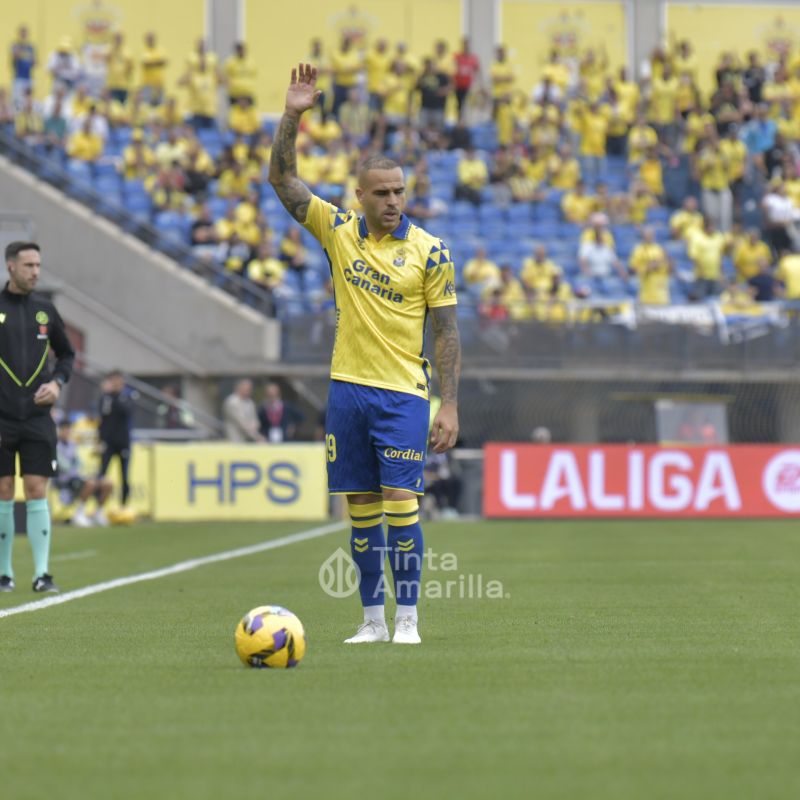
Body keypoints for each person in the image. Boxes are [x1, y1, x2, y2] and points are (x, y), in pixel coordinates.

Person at [269, 64, 460, 646]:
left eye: (400, 191)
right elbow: (282, 181)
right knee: (361, 510)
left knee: (402, 503)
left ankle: (409, 619)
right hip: (346, 389)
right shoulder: (339, 231)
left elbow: (447, 332)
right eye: (382, 193)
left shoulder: (431, 252)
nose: (393, 202)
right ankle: (371, 620)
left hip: (403, 393)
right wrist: (293, 115)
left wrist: (447, 405)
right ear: (360, 196)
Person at [0, 242, 75, 594]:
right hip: (1, 418)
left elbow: (67, 355)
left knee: (35, 490)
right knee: (2, 490)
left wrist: (58, 383)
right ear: (10, 267)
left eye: (38, 265)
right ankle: (4, 574)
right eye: (28, 265)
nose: (35, 271)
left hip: (36, 418)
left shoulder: (46, 311)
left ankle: (42, 574)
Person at [55, 419, 113, 527]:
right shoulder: (55, 445)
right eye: (64, 429)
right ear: (60, 430)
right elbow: (64, 466)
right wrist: (75, 466)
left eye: (68, 429)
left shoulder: (72, 445)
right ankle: (79, 513)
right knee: (90, 483)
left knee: (107, 483)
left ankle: (98, 513)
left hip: (77, 477)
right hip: (64, 481)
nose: (67, 432)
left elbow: (79, 463)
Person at [97, 370, 133, 511]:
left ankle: (123, 506)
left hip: (123, 442)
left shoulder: (127, 396)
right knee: (101, 474)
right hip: (108, 442)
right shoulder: (105, 397)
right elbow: (102, 416)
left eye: (118, 380)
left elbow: (127, 412)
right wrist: (100, 439)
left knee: (124, 475)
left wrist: (116, 395)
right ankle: (99, 507)